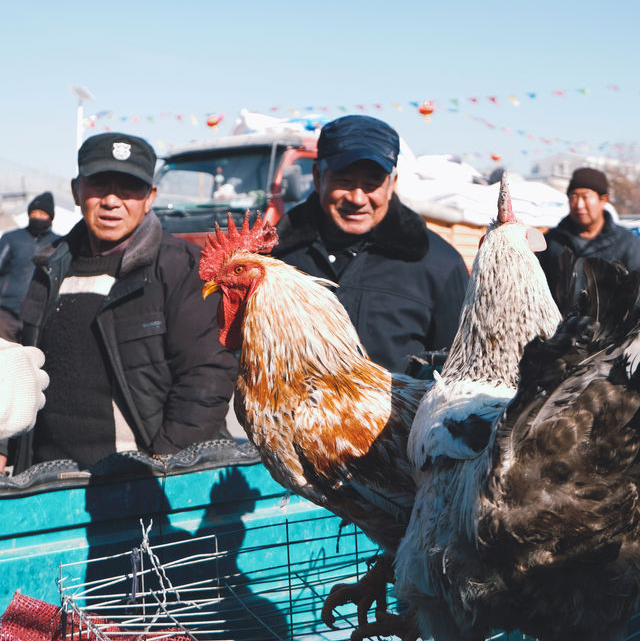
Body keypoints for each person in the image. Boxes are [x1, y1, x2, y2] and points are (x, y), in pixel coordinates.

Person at [7, 132, 237, 474]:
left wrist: (163, 468)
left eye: (129, 188)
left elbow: (206, 379)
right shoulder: (49, 266)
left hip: (141, 480)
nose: (112, 201)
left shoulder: (182, 267)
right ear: (76, 190)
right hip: (51, 479)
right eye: (99, 185)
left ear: (150, 197)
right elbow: (17, 361)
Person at [272, 114, 469, 374]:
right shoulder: (276, 257)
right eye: (344, 181)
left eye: (372, 183)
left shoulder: (440, 265)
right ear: (319, 178)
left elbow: (460, 371)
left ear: (392, 185)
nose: (357, 198)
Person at [538, 166, 640, 311]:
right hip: (560, 331)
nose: (579, 205)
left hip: (608, 332)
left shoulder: (628, 244)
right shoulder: (552, 241)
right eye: (573, 197)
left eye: (585, 197)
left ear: (603, 199)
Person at [0, 192, 58, 341]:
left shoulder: (58, 244)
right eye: (34, 213)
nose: (37, 217)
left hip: (38, 316)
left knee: (30, 359)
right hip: (6, 312)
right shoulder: (11, 238)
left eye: (42, 213)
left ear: (50, 217)